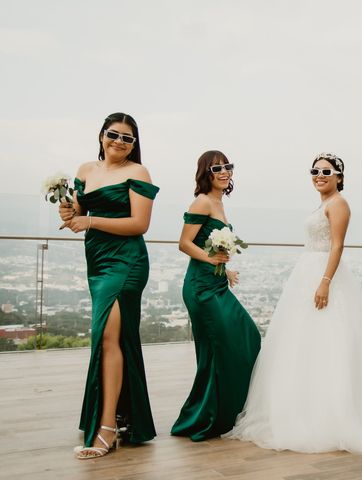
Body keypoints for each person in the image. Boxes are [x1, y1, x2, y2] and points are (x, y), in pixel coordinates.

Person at [224, 153, 362, 453]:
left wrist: (325, 281)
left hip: (324, 274)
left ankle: (334, 413)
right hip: (306, 271)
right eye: (315, 171)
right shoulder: (322, 203)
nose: (320, 175)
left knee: (331, 340)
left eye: (327, 171)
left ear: (339, 177)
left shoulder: (339, 203)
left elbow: (337, 244)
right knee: (303, 342)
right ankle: (303, 407)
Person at [59, 112, 158, 459]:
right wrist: (68, 212)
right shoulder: (86, 170)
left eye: (127, 138)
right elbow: (78, 212)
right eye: (113, 134)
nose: (119, 141)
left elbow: (139, 224)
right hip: (97, 261)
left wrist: (90, 220)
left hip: (127, 261)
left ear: (134, 143)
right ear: (101, 135)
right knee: (111, 337)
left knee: (107, 336)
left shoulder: (138, 172)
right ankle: (120, 418)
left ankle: (107, 427)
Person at [171, 150, 261, 441]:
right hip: (200, 288)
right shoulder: (202, 201)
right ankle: (207, 417)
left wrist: (225, 270)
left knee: (246, 337)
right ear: (205, 173)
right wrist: (212, 262)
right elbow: (184, 243)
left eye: (228, 166)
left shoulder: (219, 202)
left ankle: (224, 412)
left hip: (216, 284)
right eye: (216, 168)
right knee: (218, 351)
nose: (224, 172)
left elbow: (211, 248)